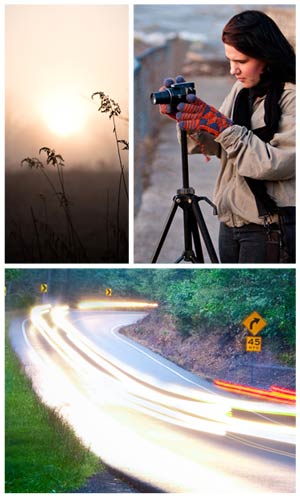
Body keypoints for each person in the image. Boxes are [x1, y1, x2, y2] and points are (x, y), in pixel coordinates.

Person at [158, 10, 295, 263]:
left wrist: (221, 126)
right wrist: (190, 121)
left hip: (268, 229)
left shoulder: (292, 97)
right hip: (230, 222)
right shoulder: (242, 89)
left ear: (266, 57)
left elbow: (275, 163)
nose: (233, 70)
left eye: (241, 61)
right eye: (229, 60)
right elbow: (219, 146)